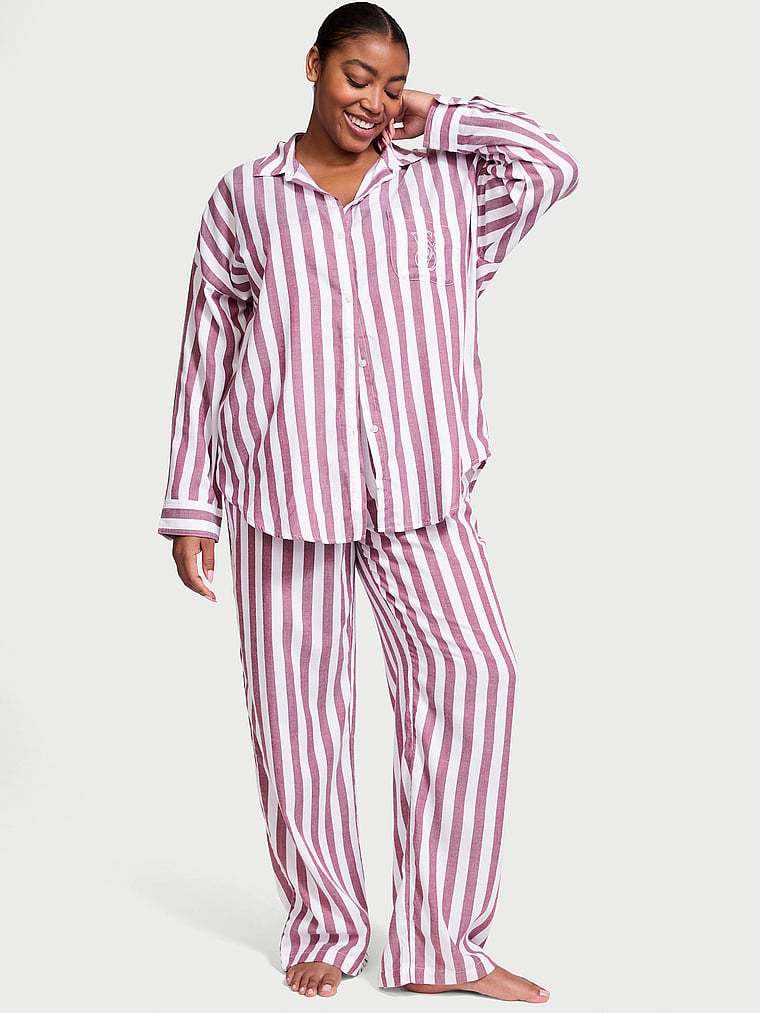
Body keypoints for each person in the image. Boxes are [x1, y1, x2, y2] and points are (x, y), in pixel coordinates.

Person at [157, 1, 579, 1001]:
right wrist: (190, 504)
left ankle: (441, 943)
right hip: (283, 485)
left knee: (476, 672)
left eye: (390, 84)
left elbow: (553, 164)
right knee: (296, 714)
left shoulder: (446, 188)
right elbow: (206, 345)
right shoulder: (245, 197)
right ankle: (328, 922)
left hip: (422, 488)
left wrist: (438, 115)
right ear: (312, 65)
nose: (373, 100)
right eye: (358, 77)